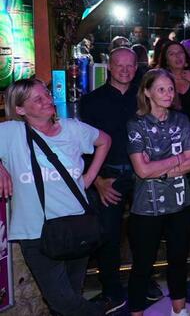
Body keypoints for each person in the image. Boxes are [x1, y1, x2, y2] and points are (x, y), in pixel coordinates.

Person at [0, 78, 111, 316]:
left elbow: (105, 141)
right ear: (20, 109)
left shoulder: (72, 128)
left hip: (77, 224)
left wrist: (89, 177)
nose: (47, 100)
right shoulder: (11, 133)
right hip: (35, 231)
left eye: (47, 94)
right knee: (62, 301)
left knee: (72, 295)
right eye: (37, 99)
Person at [80, 47, 160, 313]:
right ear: (109, 67)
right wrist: (97, 181)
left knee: (145, 234)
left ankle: (144, 281)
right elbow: (83, 147)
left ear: (136, 68)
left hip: (143, 176)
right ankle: (111, 290)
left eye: (130, 65)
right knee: (108, 236)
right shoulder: (91, 101)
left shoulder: (145, 97)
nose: (125, 70)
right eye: (119, 65)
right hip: (108, 177)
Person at [126, 69, 190, 316]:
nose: (168, 94)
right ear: (147, 92)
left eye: (170, 88)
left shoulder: (181, 120)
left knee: (179, 260)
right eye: (161, 89)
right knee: (142, 265)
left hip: (180, 201)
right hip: (147, 206)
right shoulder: (136, 124)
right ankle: (136, 312)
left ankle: (179, 310)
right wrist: (178, 159)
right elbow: (142, 170)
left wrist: (161, 169)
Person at [158, 41, 190, 134]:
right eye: (172, 54)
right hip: (167, 129)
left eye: (180, 52)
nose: (177, 56)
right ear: (166, 61)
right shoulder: (161, 79)